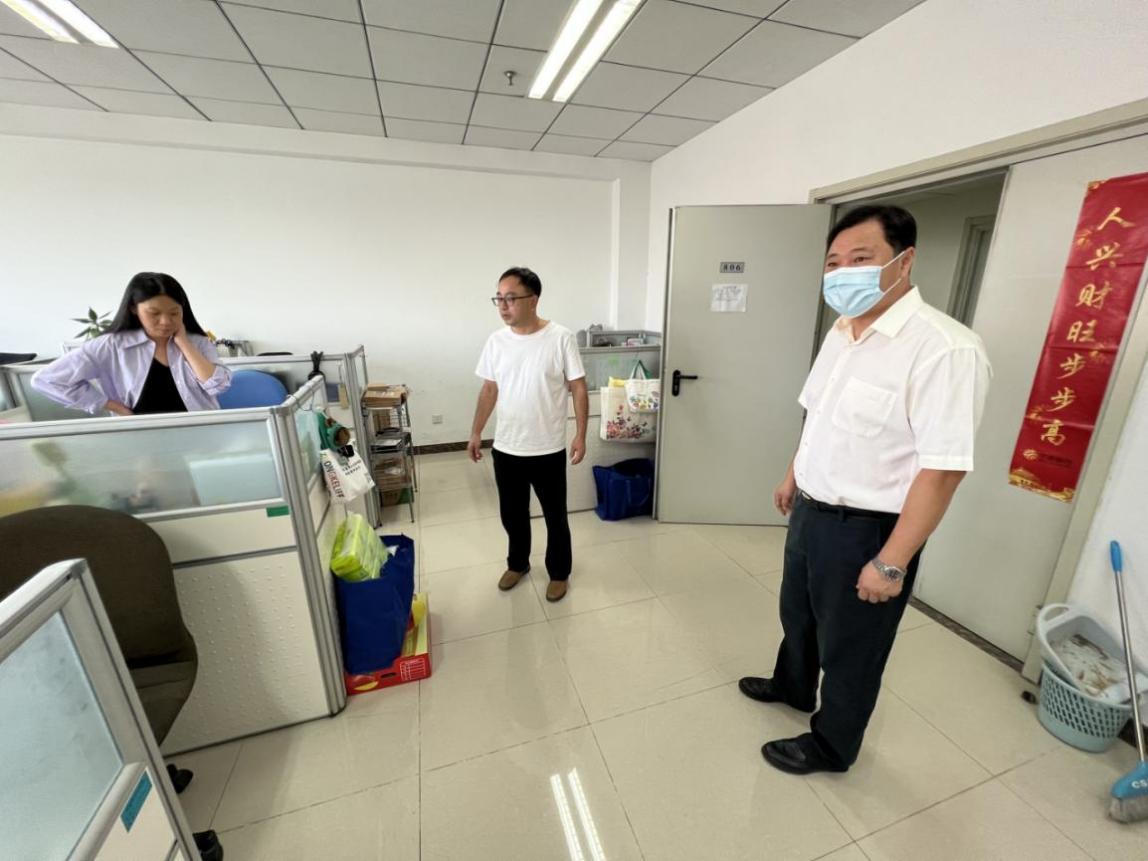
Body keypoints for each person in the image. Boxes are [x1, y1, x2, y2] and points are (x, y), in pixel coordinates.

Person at [740, 205, 992, 775]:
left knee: (852, 647)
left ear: (904, 261)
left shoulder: (945, 349)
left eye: (861, 258)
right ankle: (793, 685)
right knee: (798, 614)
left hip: (868, 530)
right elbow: (817, 415)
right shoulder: (841, 333)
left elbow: (943, 470)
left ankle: (833, 745)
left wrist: (892, 562)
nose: (843, 273)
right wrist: (793, 476)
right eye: (834, 262)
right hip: (812, 509)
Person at [468, 267, 589, 603]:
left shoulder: (560, 337)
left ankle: (559, 573)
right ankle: (518, 563)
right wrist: (476, 431)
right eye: (498, 299)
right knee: (512, 514)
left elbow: (578, 387)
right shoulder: (496, 341)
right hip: (507, 447)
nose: (503, 306)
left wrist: (580, 434)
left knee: (555, 516)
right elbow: (489, 389)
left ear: (533, 300)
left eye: (510, 298)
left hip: (547, 448)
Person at [33, 273, 231, 416]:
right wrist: (111, 405)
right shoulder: (111, 345)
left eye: (174, 313)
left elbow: (218, 386)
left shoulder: (198, 341)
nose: (165, 321)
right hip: (140, 438)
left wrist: (184, 343)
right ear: (134, 309)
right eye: (154, 313)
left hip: (200, 432)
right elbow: (48, 380)